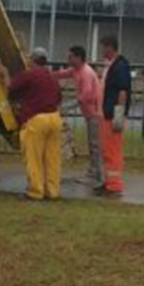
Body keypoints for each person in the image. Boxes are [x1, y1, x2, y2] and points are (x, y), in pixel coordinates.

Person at [7, 47, 63, 201]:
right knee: (52, 159)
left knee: (34, 158)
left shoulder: (29, 74)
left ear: (32, 60)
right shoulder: (51, 76)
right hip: (55, 118)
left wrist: (4, 75)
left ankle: (35, 191)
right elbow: (59, 98)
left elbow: (10, 87)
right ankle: (53, 191)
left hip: (37, 120)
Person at [53, 45, 103, 186]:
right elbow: (62, 73)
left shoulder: (86, 73)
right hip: (89, 113)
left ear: (79, 58)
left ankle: (95, 174)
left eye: (70, 57)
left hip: (94, 113)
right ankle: (94, 172)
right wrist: (45, 73)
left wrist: (66, 107)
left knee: (94, 145)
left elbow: (85, 96)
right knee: (93, 144)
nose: (68, 59)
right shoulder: (76, 70)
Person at [97, 35, 131, 197]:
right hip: (107, 114)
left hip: (113, 115)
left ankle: (114, 185)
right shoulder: (112, 66)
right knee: (107, 150)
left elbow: (122, 91)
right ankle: (108, 181)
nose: (102, 50)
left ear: (111, 47)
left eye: (104, 47)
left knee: (113, 150)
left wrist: (119, 113)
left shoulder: (120, 66)